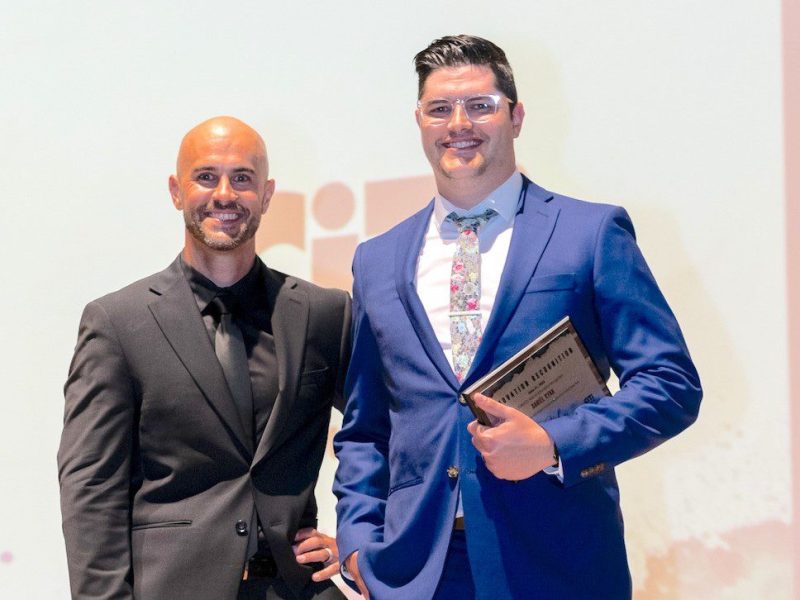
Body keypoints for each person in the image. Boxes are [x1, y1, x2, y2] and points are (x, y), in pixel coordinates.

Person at [333, 35, 702, 599]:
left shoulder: (591, 233)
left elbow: (671, 386)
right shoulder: (377, 259)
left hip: (556, 560)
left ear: (517, 115)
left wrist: (553, 442)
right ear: (420, 122)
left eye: (480, 105)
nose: (460, 123)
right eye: (440, 109)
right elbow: (366, 427)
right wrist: (358, 541)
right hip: (417, 572)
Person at [58, 116, 351, 600]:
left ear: (267, 193)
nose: (225, 195)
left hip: (297, 588)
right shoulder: (117, 323)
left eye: (242, 178)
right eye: (206, 177)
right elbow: (91, 489)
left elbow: (385, 430)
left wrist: (365, 538)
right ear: (176, 191)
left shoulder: (323, 313)